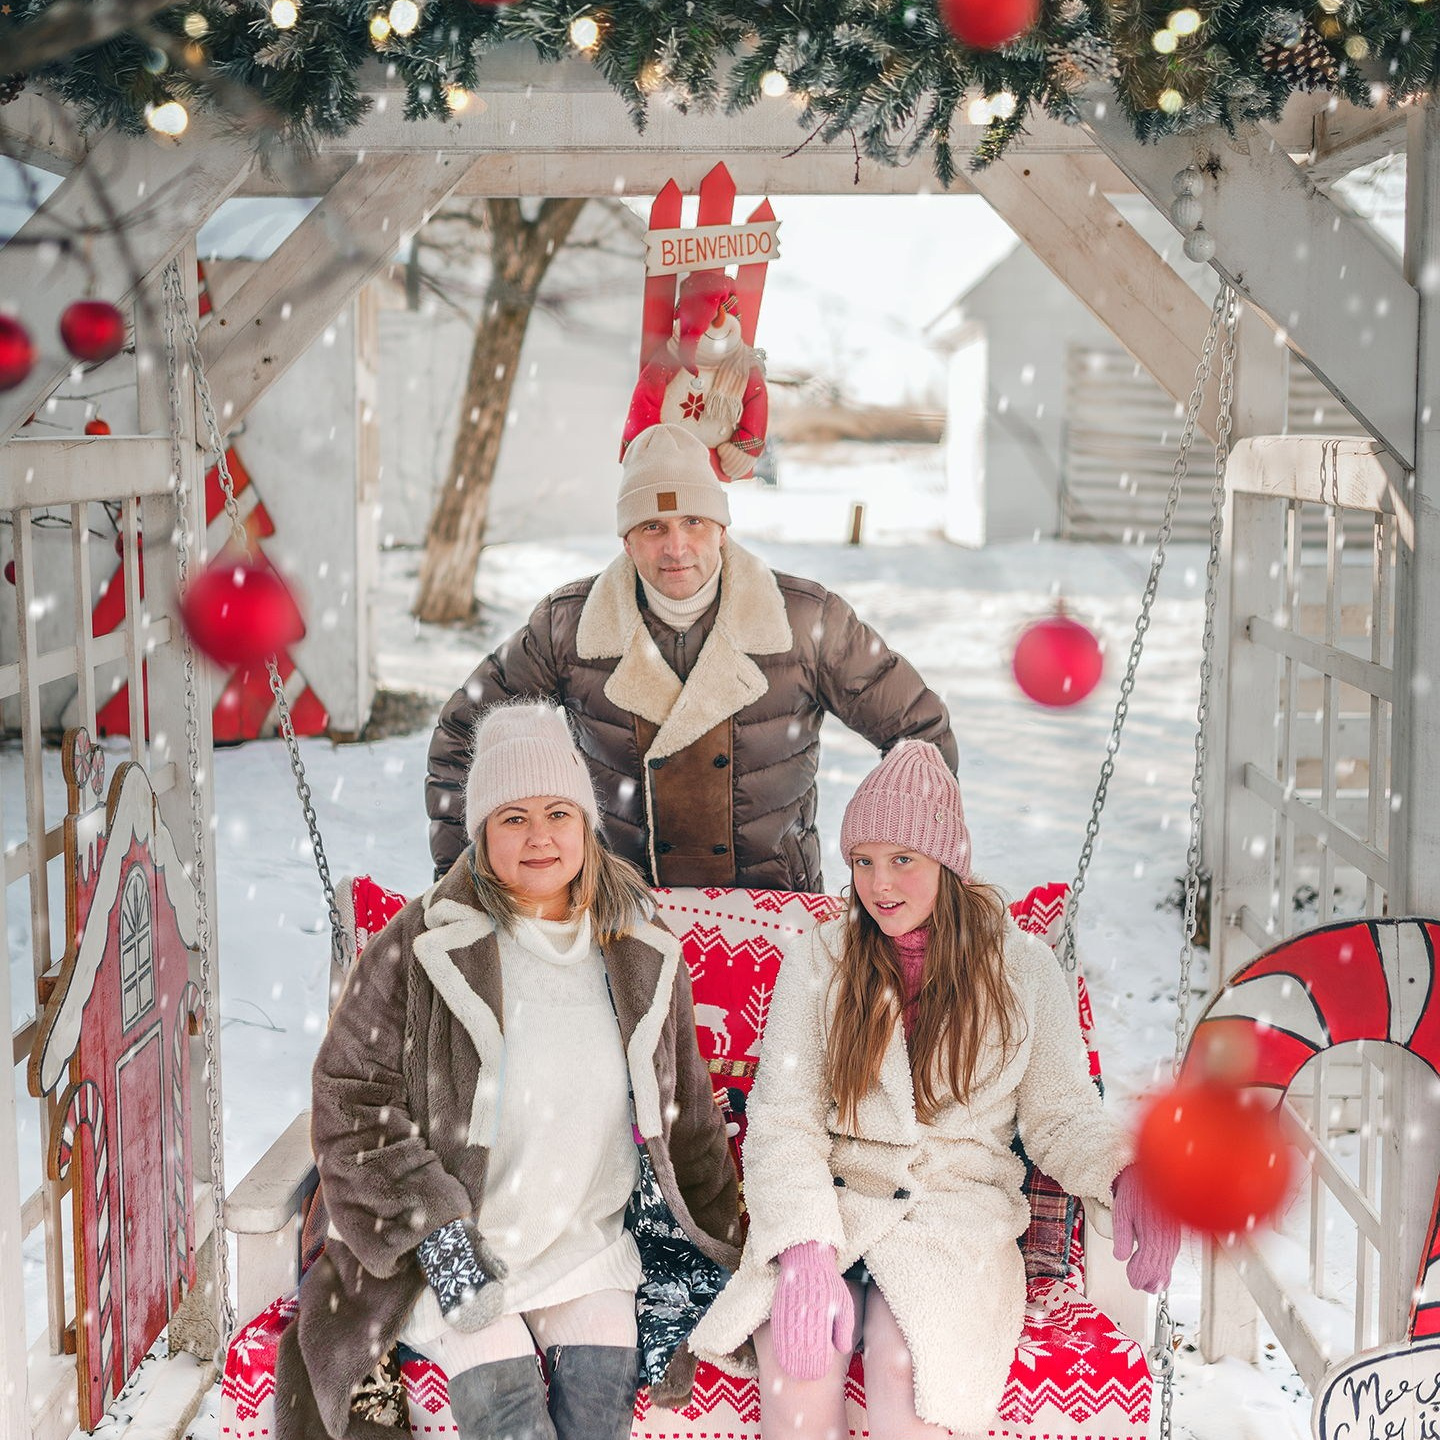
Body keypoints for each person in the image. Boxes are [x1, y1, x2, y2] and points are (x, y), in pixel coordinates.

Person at [277, 702, 742, 1440]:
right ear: (482, 832)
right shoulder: (425, 942)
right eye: (513, 817)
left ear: (585, 823)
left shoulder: (641, 949)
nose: (539, 837)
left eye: (558, 811)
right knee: (510, 1420)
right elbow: (349, 1096)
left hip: (588, 1247)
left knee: (596, 1419)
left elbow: (689, 1115)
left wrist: (710, 1252)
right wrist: (436, 1232)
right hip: (457, 1252)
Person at [687, 740, 1179, 1438]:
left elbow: (1062, 1116)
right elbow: (783, 1121)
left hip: (957, 1216)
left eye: (902, 860)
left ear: (947, 862)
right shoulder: (821, 961)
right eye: (863, 861)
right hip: (838, 1207)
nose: (879, 884)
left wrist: (1126, 1173)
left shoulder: (1024, 971)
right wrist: (802, 1246)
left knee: (904, 1363)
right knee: (799, 1360)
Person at [426, 422, 956, 890]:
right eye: (653, 527)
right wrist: (464, 884)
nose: (675, 548)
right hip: (622, 917)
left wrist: (905, 871)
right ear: (627, 542)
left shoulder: (806, 620)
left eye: (694, 522)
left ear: (722, 530)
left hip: (773, 913)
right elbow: (462, 735)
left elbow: (920, 735)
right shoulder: (569, 626)